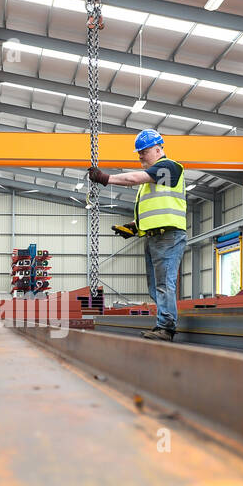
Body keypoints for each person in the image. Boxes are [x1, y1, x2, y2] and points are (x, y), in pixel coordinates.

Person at [88, 129, 187, 341]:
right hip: (153, 236)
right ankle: (162, 323)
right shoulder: (154, 179)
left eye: (144, 151)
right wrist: (134, 226)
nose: (140, 155)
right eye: (138, 152)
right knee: (155, 285)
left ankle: (167, 328)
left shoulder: (170, 167)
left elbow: (132, 179)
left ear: (158, 149)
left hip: (168, 236)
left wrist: (105, 178)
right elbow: (156, 207)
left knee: (164, 284)